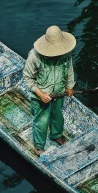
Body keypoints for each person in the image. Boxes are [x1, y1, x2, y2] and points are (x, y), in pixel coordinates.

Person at [23, 25, 76, 155]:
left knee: (58, 117)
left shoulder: (66, 54)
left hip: (59, 94)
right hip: (42, 98)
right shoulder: (35, 56)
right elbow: (27, 77)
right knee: (41, 122)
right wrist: (40, 94)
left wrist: (69, 87)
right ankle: (38, 146)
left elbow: (69, 71)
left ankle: (56, 135)